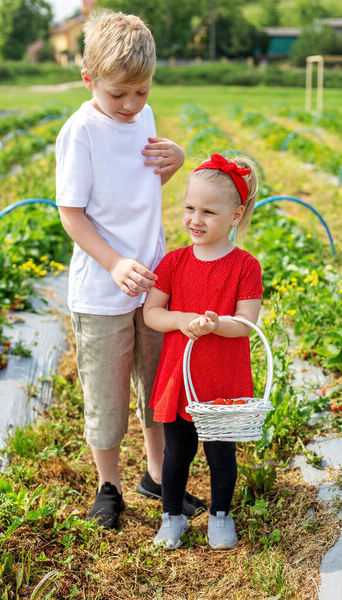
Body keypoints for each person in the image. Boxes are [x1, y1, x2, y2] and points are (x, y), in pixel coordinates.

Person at [55, 9, 204, 529]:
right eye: (118, 94)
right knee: (107, 392)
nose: (131, 104)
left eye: (141, 92)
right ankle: (109, 485)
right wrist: (115, 262)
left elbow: (139, 188)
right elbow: (71, 214)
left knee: (157, 386)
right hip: (102, 287)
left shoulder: (144, 114)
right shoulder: (81, 133)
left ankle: (158, 476)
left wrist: (179, 157)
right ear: (88, 79)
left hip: (153, 284)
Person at [143, 153, 263, 549]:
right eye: (189, 207)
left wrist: (216, 324)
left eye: (209, 211)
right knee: (177, 453)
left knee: (221, 455)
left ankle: (220, 515)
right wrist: (180, 320)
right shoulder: (174, 262)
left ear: (235, 215)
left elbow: (247, 323)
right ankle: (172, 515)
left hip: (222, 378)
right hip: (182, 376)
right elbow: (152, 313)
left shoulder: (245, 266)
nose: (196, 219)